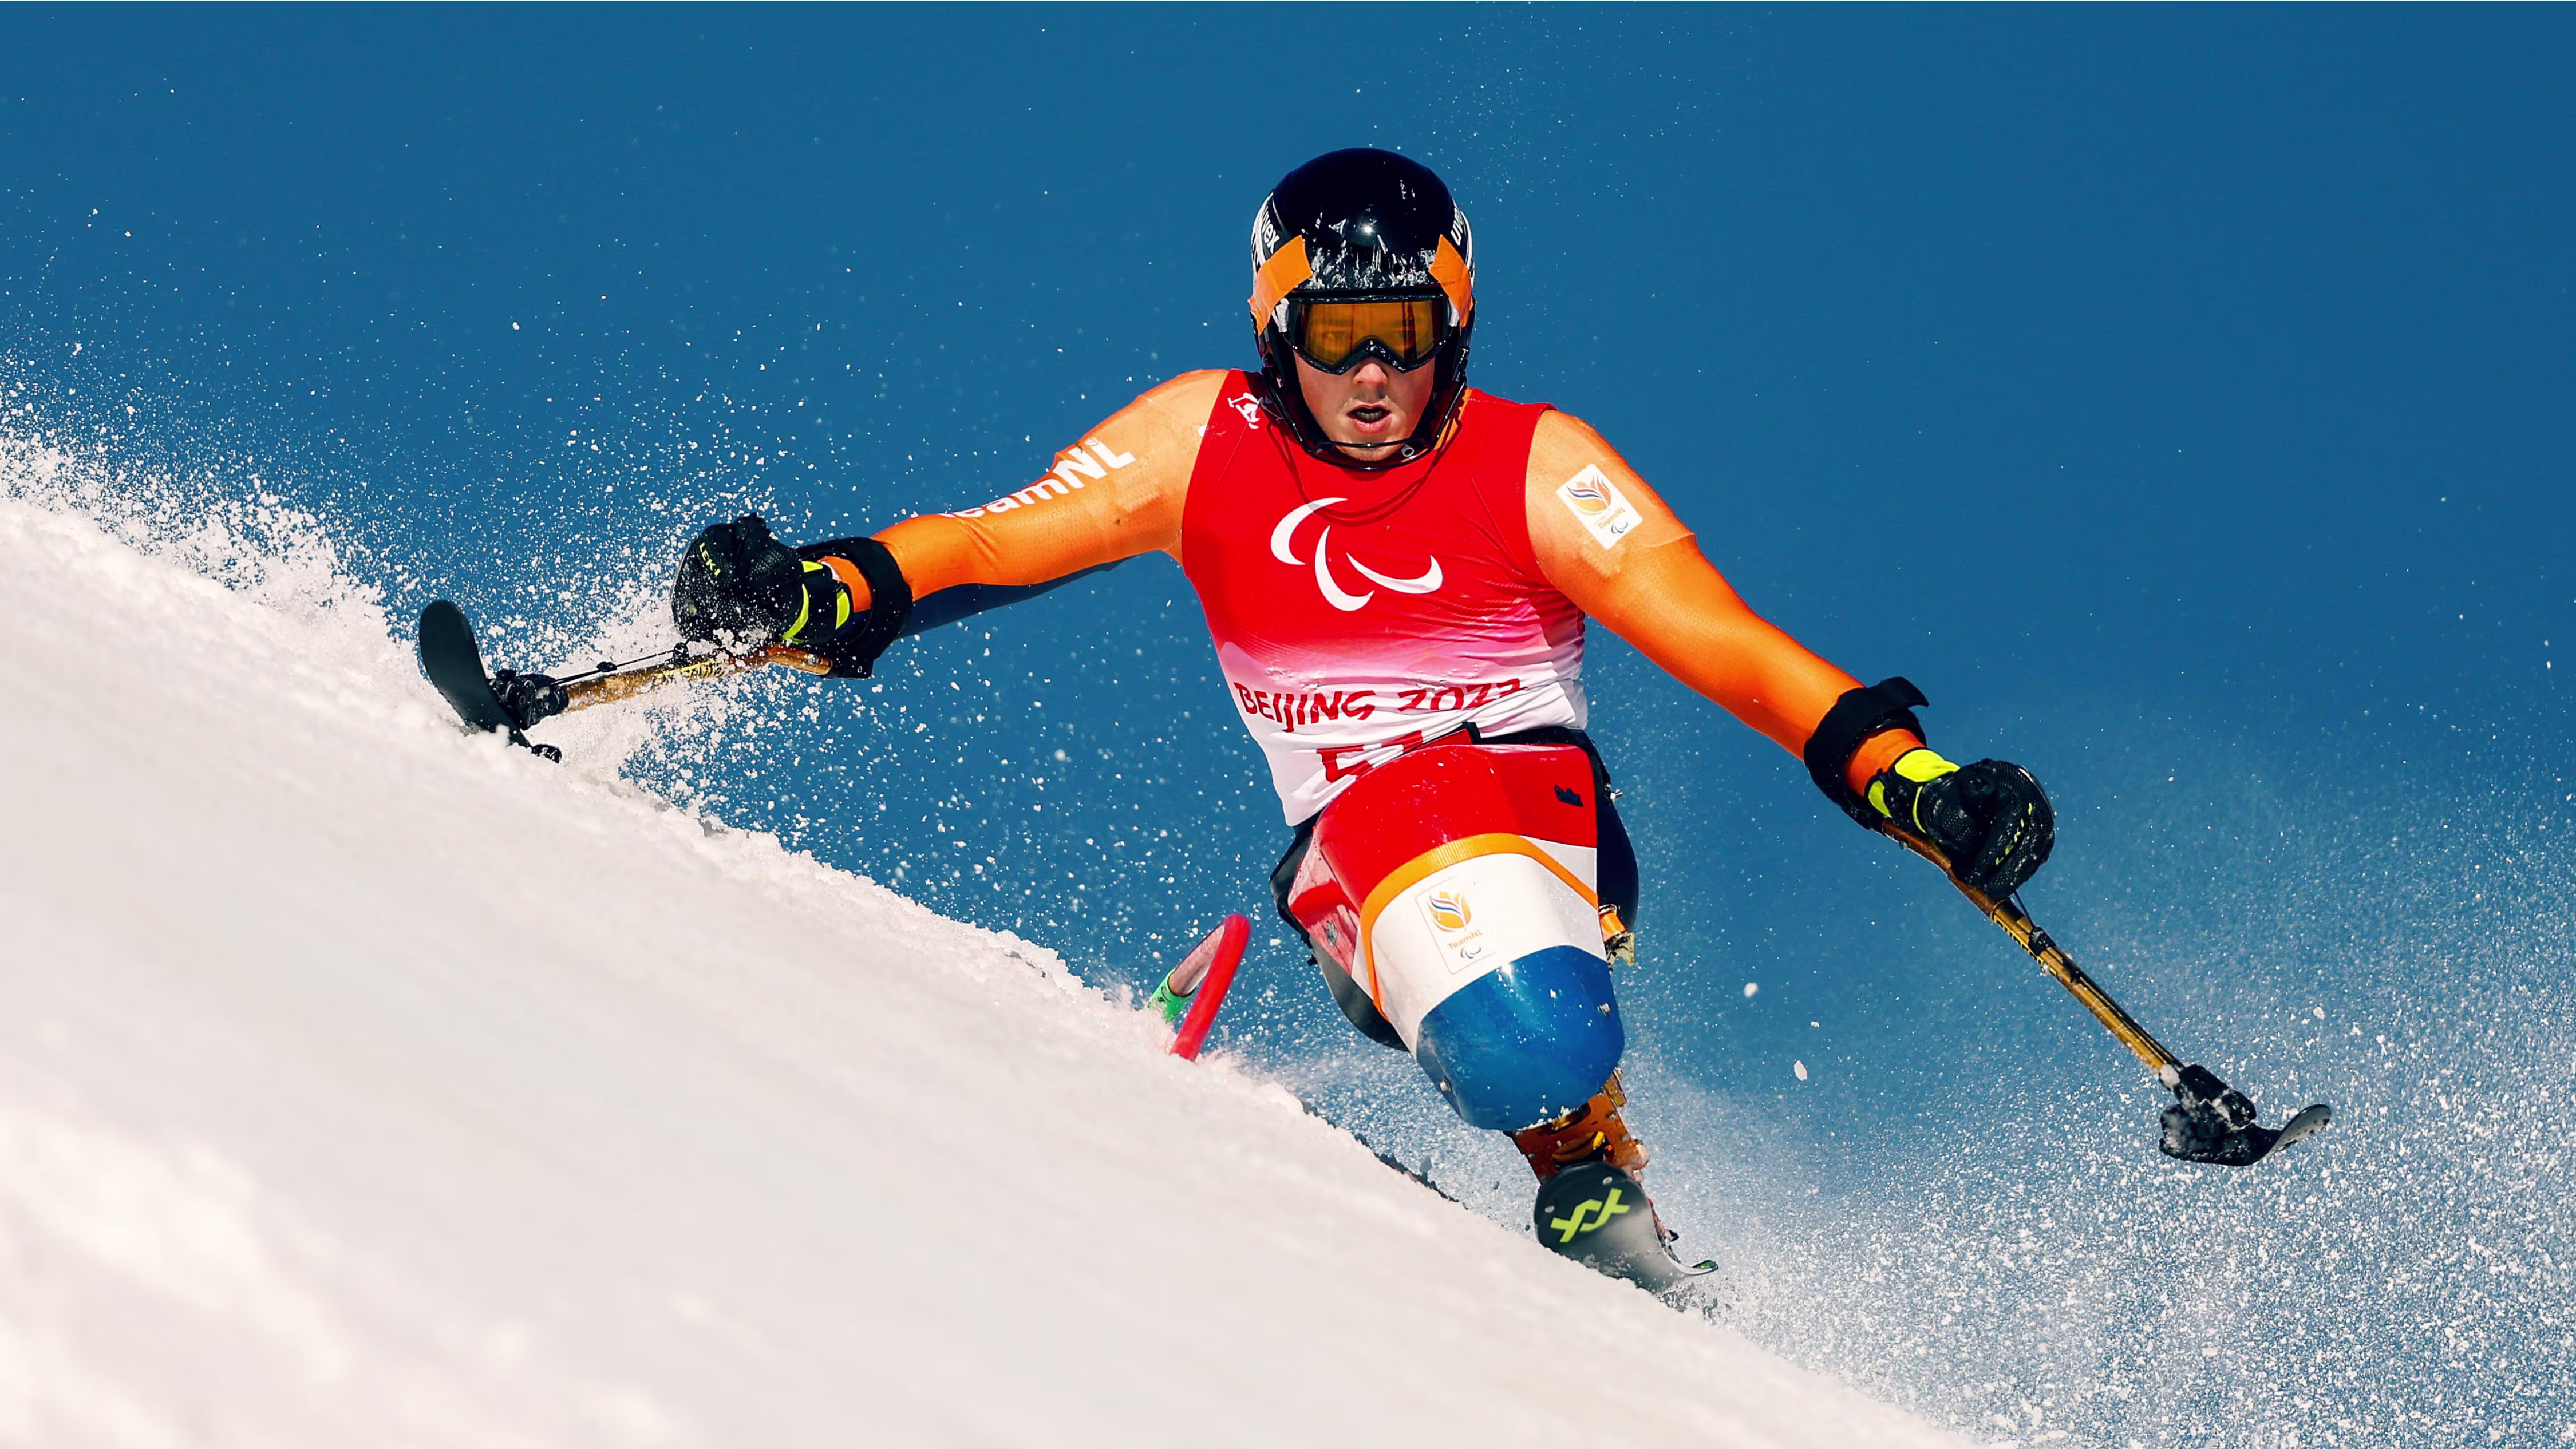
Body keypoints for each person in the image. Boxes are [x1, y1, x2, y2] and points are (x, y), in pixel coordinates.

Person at [646, 148, 2053, 1260]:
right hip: (1347, 877)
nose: (1372, 374)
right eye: (1336, 336)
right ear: (1278, 330)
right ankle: (1572, 1150)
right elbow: (990, 543)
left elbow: (1727, 645)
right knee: (1428, 890)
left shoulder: (1534, 464)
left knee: (1517, 1005)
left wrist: (1908, 779)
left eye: (1403, 332)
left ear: (1455, 323)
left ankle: (1589, 1178)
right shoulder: (1204, 440)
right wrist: (826, 593)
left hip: (1536, 825)